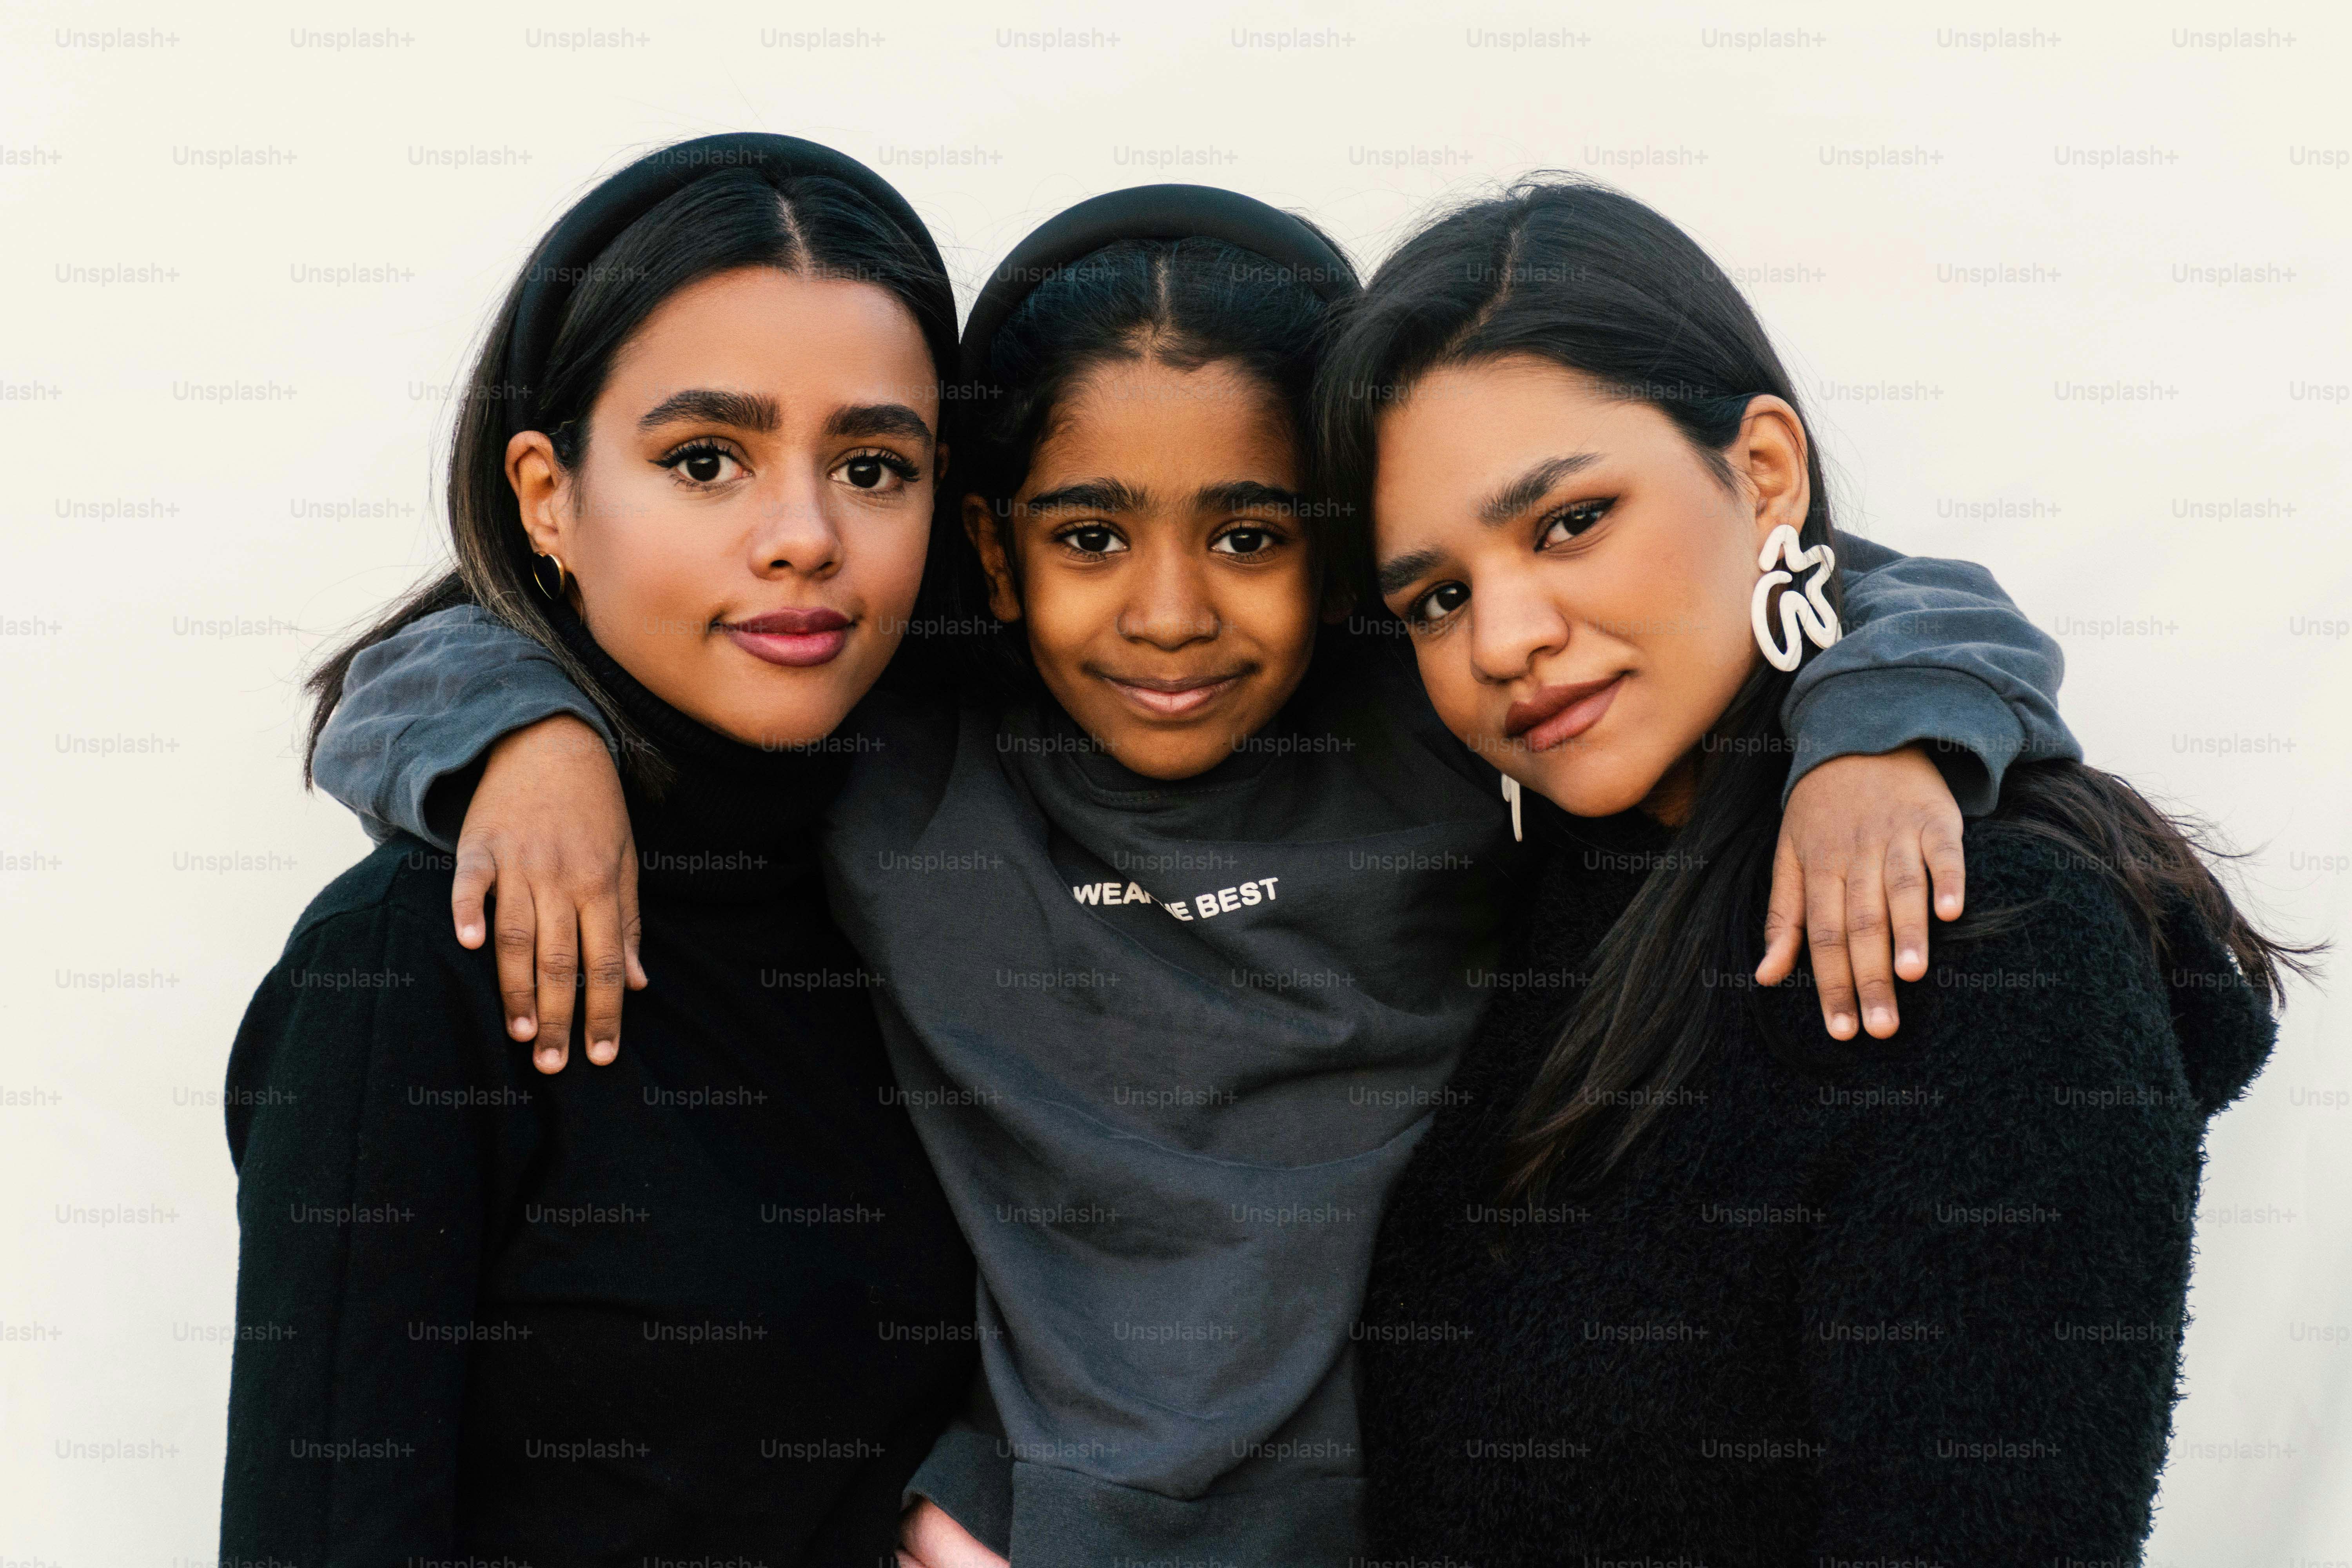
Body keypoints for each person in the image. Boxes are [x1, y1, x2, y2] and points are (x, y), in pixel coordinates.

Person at [305, 183, 2080, 1568]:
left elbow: (1862, 585)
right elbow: (470, 641)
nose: (1169, 614)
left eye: (1253, 537)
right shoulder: (915, 739)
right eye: (1092, 538)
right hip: (1012, 1524)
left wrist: (1878, 740)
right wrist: (523, 749)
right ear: (994, 551)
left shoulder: (1428, 700)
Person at [1332, 175, 2308, 1567]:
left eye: (1568, 521)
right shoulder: (1553, 884)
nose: (1502, 639)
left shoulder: (1972, 937)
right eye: (1436, 596)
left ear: (1766, 473)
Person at [220, 134, 978, 1568]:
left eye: (875, 466)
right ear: (548, 494)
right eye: (707, 460)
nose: (805, 536)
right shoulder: (418, 959)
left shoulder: (938, 879)